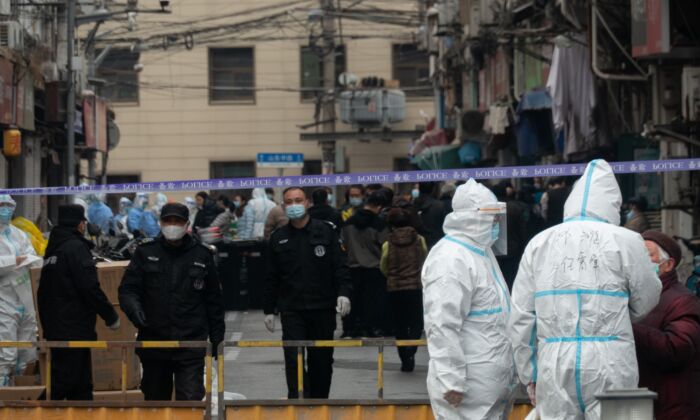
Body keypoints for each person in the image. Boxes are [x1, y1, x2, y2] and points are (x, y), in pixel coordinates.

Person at [509, 159, 662, 420]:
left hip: (555, 364)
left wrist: (530, 373)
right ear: (613, 204)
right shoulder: (627, 241)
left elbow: (521, 317)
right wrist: (620, 316)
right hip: (611, 361)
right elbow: (648, 298)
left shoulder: (539, 244)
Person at [422, 179, 515, 419]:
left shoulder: (481, 253)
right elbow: (441, 324)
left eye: (498, 216)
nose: (496, 223)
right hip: (465, 391)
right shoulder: (451, 258)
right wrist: (451, 380)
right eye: (491, 216)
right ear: (473, 216)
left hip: (488, 387)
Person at [119, 203, 225, 401]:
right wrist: (134, 310)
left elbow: (214, 302)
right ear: (161, 223)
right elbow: (128, 290)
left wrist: (218, 341)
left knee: (190, 401)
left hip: (190, 344)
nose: (172, 225)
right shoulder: (145, 253)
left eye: (177, 221)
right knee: (157, 403)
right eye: (168, 221)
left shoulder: (202, 255)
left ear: (187, 225)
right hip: (154, 342)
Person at [263, 187, 352, 399]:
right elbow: (270, 277)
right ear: (284, 206)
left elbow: (340, 267)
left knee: (321, 361)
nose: (294, 205)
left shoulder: (326, 231)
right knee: (293, 358)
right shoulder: (279, 237)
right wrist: (268, 309)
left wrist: (344, 293)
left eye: (298, 200)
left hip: (322, 307)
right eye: (289, 202)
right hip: (292, 309)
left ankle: (319, 404)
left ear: (307, 203)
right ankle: (298, 403)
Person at [37, 204, 118, 399]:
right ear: (80, 224)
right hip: (74, 328)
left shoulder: (54, 249)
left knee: (80, 386)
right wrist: (110, 315)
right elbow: (89, 287)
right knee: (64, 382)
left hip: (58, 326)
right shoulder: (76, 248)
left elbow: (43, 293)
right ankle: (31, 414)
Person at [633, 230, 700, 420]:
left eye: (647, 255)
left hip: (672, 410)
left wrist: (629, 328)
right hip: (644, 405)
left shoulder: (683, 301)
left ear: (668, 264)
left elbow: (677, 348)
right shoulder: (637, 298)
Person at [0, 195, 42, 386]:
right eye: (2, 205)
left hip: (24, 299)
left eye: (9, 206)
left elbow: (32, 255)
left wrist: (26, 260)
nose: (6, 209)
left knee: (27, 347)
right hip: (4, 298)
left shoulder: (19, 234)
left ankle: (23, 388)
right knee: (7, 350)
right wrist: (13, 262)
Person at [380, 207, 426, 372]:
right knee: (416, 322)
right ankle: (411, 348)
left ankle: (405, 360)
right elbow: (425, 259)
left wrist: (392, 275)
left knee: (399, 325)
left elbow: (383, 265)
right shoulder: (419, 240)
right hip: (415, 286)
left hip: (395, 288)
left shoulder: (387, 243)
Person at [342, 192, 389, 337]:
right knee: (372, 302)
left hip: (353, 267)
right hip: (374, 269)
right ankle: (370, 328)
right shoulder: (380, 224)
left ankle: (350, 329)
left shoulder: (348, 222)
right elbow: (385, 245)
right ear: (379, 207)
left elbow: (343, 243)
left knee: (354, 300)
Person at [492, 181, 529, 290]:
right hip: (512, 250)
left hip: (494, 251)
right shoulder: (514, 208)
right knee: (511, 280)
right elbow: (522, 231)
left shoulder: (488, 210)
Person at [413, 182, 447, 249]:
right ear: (433, 189)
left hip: (417, 247)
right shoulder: (439, 205)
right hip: (435, 245)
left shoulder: (412, 205)